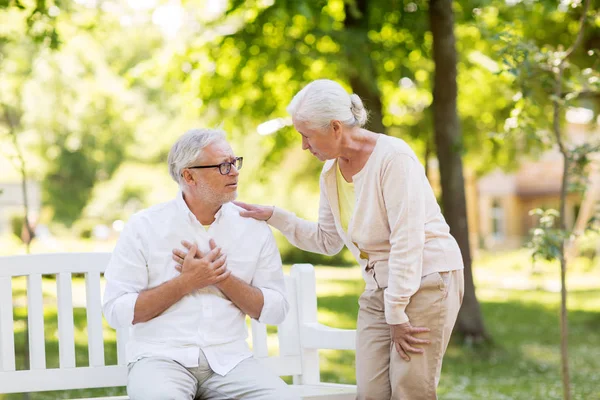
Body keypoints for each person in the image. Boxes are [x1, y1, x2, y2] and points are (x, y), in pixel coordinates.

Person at [234, 79, 465, 400]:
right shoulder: (330, 173)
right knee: (370, 392)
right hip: (379, 288)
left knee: (409, 389)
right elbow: (327, 240)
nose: (303, 145)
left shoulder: (393, 158)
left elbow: (407, 240)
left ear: (335, 127)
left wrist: (397, 312)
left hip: (426, 278)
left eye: (307, 135)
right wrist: (275, 215)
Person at [102, 128, 299, 400]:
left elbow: (276, 311)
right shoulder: (144, 227)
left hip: (231, 362)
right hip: (161, 360)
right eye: (222, 166)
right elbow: (117, 311)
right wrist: (186, 282)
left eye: (234, 162)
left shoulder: (253, 229)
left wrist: (221, 278)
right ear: (188, 175)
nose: (234, 172)